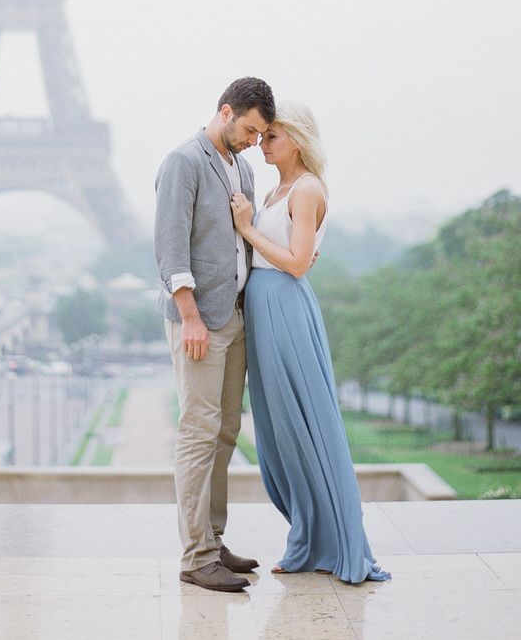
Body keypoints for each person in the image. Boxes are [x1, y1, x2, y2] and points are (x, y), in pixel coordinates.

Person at [229, 100, 391, 583]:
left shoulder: (306, 189)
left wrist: (246, 228)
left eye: (272, 137)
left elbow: (297, 263)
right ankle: (307, 539)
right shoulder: (279, 188)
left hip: (284, 309)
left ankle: (333, 543)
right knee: (281, 433)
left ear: (296, 140)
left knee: (307, 426)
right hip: (264, 307)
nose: (262, 144)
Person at [154, 76, 276, 593]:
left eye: (260, 133)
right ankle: (195, 555)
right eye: (248, 129)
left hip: (235, 316)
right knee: (199, 432)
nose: (253, 140)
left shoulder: (242, 168)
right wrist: (191, 317)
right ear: (225, 112)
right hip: (200, 320)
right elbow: (170, 245)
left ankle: (213, 539)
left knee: (226, 432)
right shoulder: (184, 161)